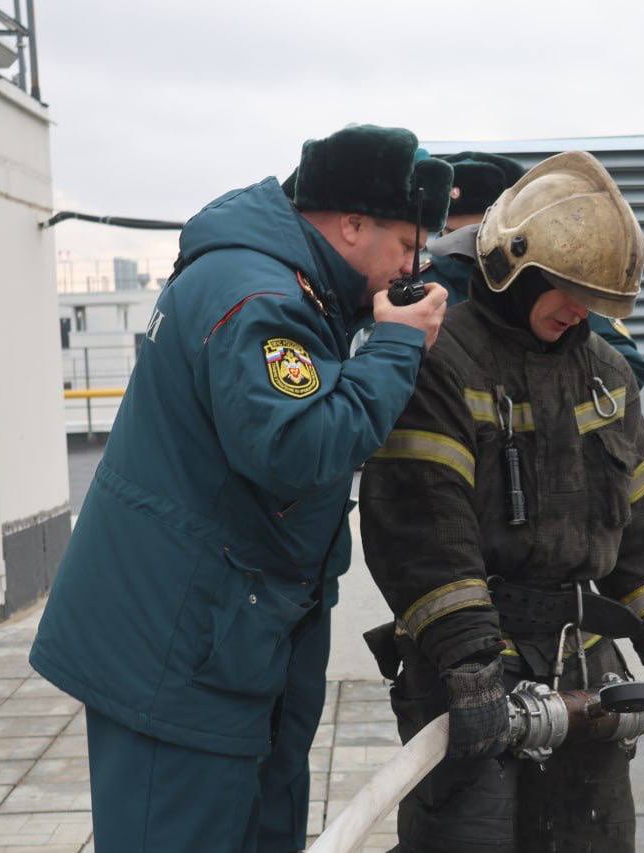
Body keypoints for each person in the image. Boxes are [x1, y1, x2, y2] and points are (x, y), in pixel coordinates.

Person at [29, 124, 453, 853]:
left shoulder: (294, 285)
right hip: (181, 653)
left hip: (230, 635)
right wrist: (395, 346)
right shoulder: (256, 297)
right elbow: (297, 445)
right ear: (352, 224)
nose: (413, 266)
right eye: (408, 246)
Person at [359, 151, 644, 852]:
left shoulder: (607, 375)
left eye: (593, 295)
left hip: (583, 662)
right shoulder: (443, 365)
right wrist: (472, 669)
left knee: (591, 838)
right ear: (515, 267)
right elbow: (423, 532)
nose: (579, 310)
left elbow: (642, 533)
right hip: (467, 670)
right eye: (565, 288)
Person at [425, 151, 644, 388]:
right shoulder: (419, 290)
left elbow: (627, 368)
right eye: (452, 234)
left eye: (481, 234)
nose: (474, 249)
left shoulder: (561, 286)